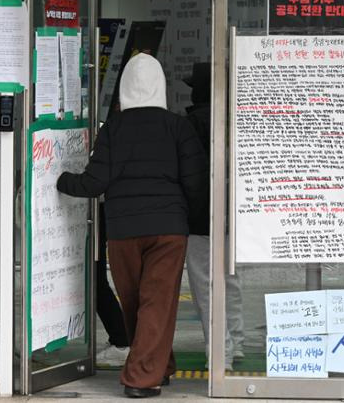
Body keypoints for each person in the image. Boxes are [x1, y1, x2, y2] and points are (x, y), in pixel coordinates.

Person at [57, 53, 208, 398]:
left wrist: (59, 179)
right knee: (158, 300)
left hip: (123, 231)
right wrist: (190, 219)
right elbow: (196, 183)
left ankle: (144, 372)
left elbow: (94, 183)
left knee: (134, 301)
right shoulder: (178, 127)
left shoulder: (114, 128)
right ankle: (152, 370)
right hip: (169, 230)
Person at [183, 62, 245, 370]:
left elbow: (188, 174)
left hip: (199, 216)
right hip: (232, 212)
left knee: (205, 284)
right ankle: (237, 340)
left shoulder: (191, 123)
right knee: (231, 278)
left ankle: (221, 353)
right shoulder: (234, 118)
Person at [95, 202, 131, 367]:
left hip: (101, 209)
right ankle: (122, 340)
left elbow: (96, 180)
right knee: (96, 281)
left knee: (95, 282)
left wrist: (64, 181)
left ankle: (122, 342)